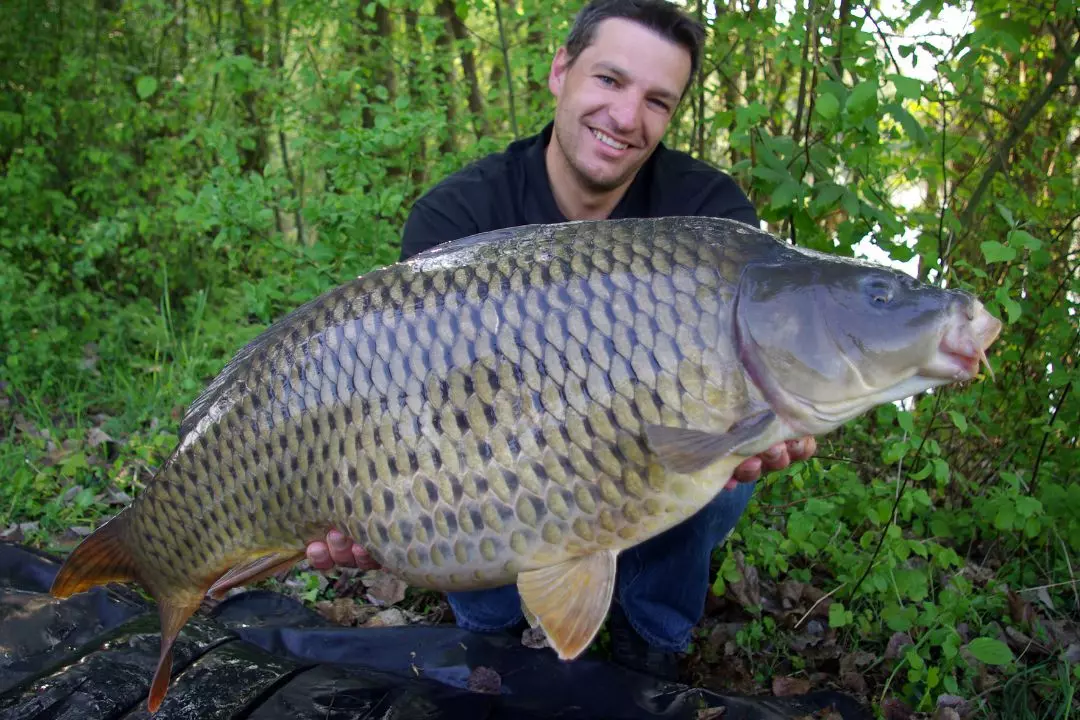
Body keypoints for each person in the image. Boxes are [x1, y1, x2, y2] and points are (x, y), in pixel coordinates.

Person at [306, 0, 816, 680]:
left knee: (725, 437)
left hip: (644, 443)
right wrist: (370, 507)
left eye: (657, 101)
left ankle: (651, 633)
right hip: (495, 446)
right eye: (610, 80)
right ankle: (493, 627)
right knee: (453, 456)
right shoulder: (459, 215)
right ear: (560, 71)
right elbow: (422, 411)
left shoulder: (709, 218)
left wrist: (775, 414)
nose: (627, 117)